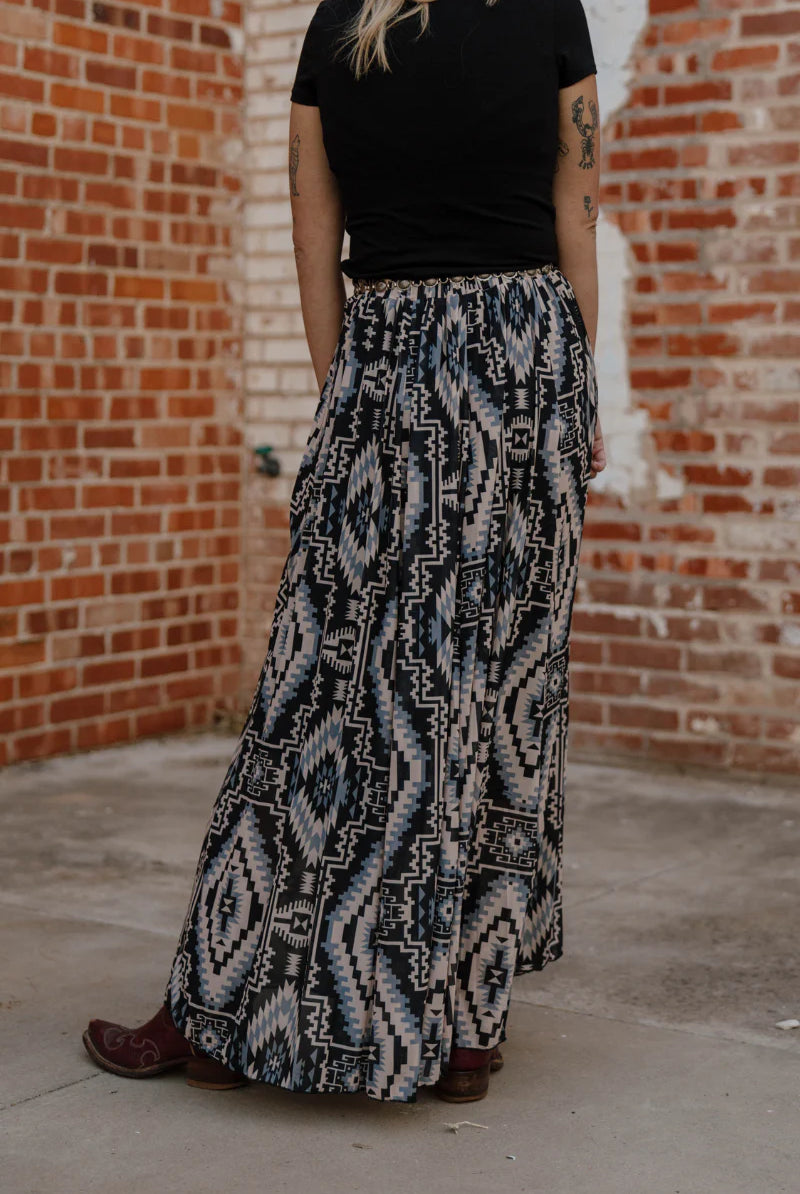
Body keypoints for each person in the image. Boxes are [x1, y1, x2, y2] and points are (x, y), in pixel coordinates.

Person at [82, 0, 607, 1106]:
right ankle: (461, 1025)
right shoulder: (547, 12)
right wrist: (577, 389)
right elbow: (576, 207)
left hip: (390, 357)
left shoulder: (338, 26)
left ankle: (222, 1006)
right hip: (529, 364)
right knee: (498, 689)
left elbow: (310, 234)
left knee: (321, 691)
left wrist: (343, 398)